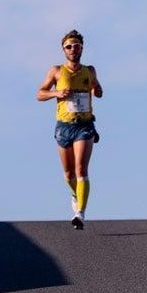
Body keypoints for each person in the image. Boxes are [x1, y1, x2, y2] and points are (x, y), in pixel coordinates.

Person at [37, 29, 102, 229]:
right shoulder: (56, 71)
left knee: (81, 169)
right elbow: (40, 93)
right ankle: (75, 193)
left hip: (84, 125)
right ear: (63, 50)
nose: (73, 49)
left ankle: (80, 213)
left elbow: (96, 88)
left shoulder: (89, 70)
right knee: (68, 173)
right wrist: (57, 93)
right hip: (63, 127)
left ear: (82, 48)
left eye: (77, 46)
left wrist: (96, 90)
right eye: (69, 47)